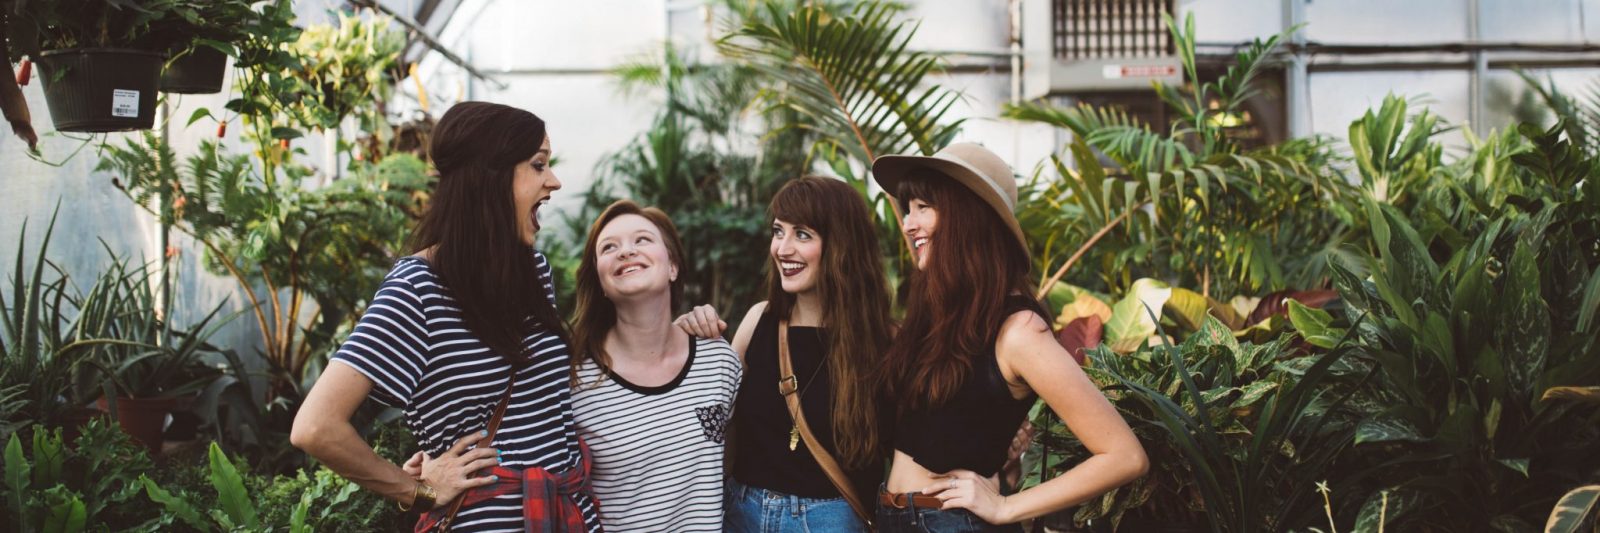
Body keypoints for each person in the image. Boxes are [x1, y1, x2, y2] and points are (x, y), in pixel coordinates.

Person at [291, 101, 602, 532]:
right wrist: (416, 491)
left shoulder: (534, 273)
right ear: (489, 177)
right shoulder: (418, 288)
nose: (554, 180)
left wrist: (681, 337)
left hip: (566, 517)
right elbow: (315, 426)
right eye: (538, 165)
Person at [870, 143, 1147, 532]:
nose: (907, 223)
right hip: (893, 517)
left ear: (967, 216)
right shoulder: (942, 315)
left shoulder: (1018, 331)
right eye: (907, 208)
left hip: (948, 522)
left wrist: (1005, 507)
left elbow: (1124, 455)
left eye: (923, 207)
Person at [715, 176, 895, 532]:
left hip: (831, 520)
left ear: (842, 245)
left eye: (802, 234)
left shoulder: (885, 341)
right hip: (743, 513)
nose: (782, 249)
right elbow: (718, 418)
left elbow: (918, 444)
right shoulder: (759, 321)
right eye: (778, 231)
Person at [565, 200, 742, 531]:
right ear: (601, 282)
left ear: (673, 266)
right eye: (609, 247)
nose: (626, 251)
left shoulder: (718, 361)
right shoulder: (575, 380)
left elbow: (730, 465)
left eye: (642, 240)